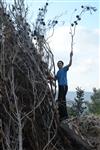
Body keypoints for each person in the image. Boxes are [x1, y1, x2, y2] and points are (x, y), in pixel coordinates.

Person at [55, 51, 73, 121]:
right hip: (60, 87)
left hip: (64, 86)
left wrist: (71, 56)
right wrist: (48, 77)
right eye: (58, 64)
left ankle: (64, 116)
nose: (59, 65)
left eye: (60, 64)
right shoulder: (58, 72)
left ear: (62, 65)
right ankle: (62, 115)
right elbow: (55, 78)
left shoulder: (64, 69)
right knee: (61, 100)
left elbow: (70, 64)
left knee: (61, 100)